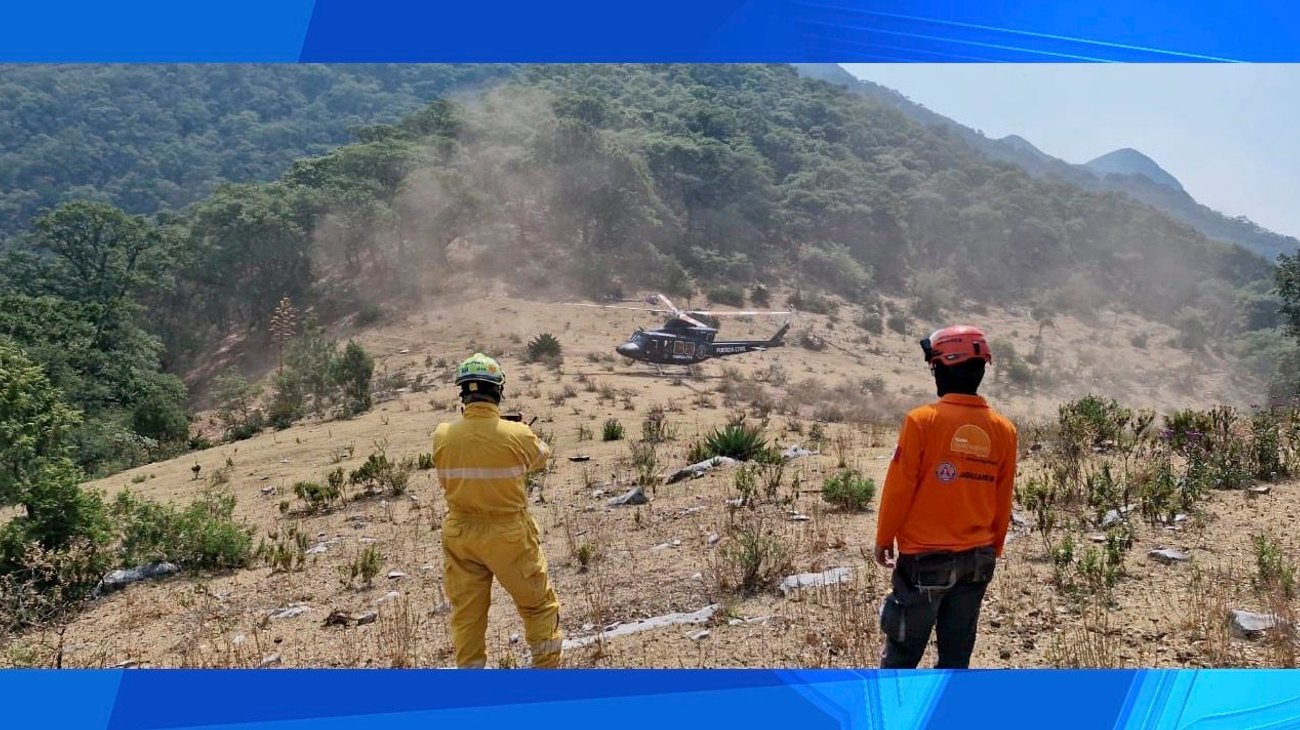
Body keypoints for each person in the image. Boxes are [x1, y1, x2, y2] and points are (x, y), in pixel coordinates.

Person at [873, 325, 1017, 669]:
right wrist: (992, 549)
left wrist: (884, 537)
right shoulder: (1005, 430)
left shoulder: (922, 421)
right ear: (980, 371)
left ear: (944, 367)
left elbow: (900, 488)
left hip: (925, 558)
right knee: (956, 656)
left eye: (934, 366)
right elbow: (1003, 496)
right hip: (978, 559)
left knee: (902, 655)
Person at [432, 352, 563, 669]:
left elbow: (466, 446)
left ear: (463, 393)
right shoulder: (517, 435)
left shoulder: (442, 435)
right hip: (508, 535)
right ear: (498, 391)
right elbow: (541, 456)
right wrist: (518, 429)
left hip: (460, 535)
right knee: (538, 607)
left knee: (467, 617)